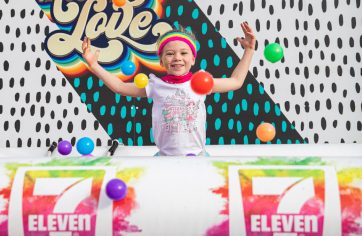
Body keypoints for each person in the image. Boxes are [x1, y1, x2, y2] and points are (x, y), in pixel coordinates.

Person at [82, 21, 256, 156]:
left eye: (184, 53)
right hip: (164, 158)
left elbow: (236, 81)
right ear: (161, 61)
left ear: (193, 59)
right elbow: (119, 87)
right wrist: (93, 64)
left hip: (198, 157)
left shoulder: (201, 81)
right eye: (170, 54)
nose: (177, 58)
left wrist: (248, 50)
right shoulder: (155, 85)